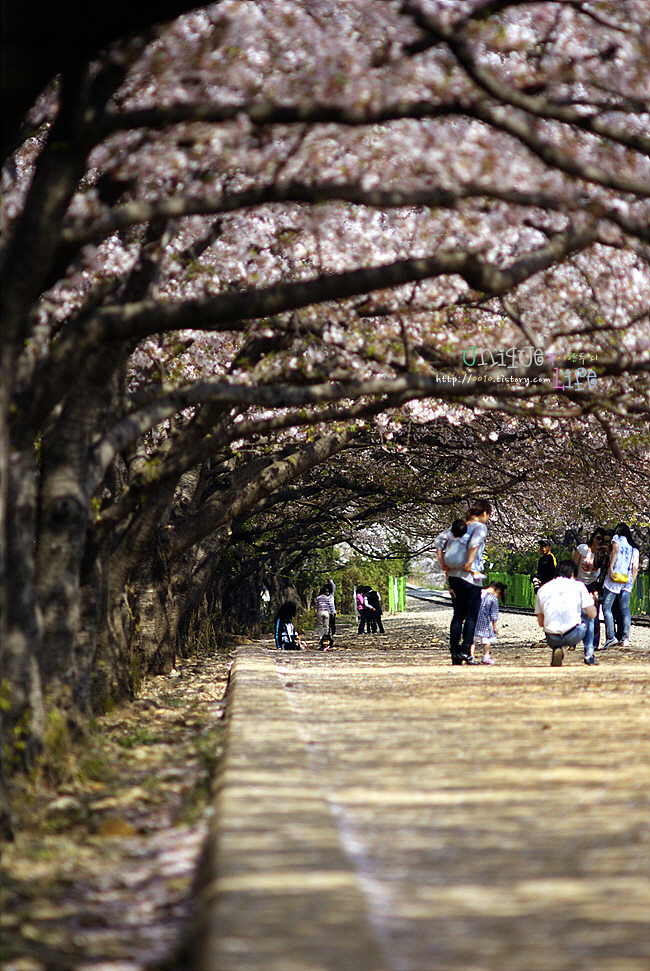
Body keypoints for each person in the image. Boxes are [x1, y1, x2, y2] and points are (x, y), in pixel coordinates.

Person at [436, 499, 492, 665]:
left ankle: (455, 653)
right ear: (484, 513)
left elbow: (439, 541)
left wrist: (443, 564)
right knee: (471, 616)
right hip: (470, 578)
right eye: (488, 515)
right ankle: (467, 651)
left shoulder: (458, 527)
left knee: (457, 616)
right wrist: (469, 562)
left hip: (453, 577)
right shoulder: (479, 527)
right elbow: (475, 543)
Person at [535, 559, 597, 666]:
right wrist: (593, 601)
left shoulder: (542, 589)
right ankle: (589, 655)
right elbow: (593, 614)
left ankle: (557, 647)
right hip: (572, 634)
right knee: (587, 616)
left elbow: (541, 622)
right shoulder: (578, 586)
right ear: (572, 573)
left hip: (551, 637)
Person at [602, 523, 640, 649]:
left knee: (607, 607)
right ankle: (625, 638)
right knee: (625, 610)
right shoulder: (634, 548)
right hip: (627, 580)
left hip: (614, 578)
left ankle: (610, 637)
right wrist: (632, 582)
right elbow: (635, 567)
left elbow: (616, 549)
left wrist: (611, 566)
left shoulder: (617, 539)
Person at [573, 529, 604, 655]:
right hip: (580, 583)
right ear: (592, 538)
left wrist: (598, 552)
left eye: (601, 539)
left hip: (593, 585)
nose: (599, 541)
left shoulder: (602, 553)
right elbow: (574, 564)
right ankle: (573, 641)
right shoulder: (583, 548)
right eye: (597, 538)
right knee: (577, 613)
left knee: (594, 615)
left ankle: (594, 643)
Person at [473, 581, 507, 664]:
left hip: (472, 619)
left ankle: (470, 656)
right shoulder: (493, 598)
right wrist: (494, 627)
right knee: (487, 640)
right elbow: (493, 615)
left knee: (471, 640)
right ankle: (486, 656)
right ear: (498, 591)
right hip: (483, 621)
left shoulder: (478, 592)